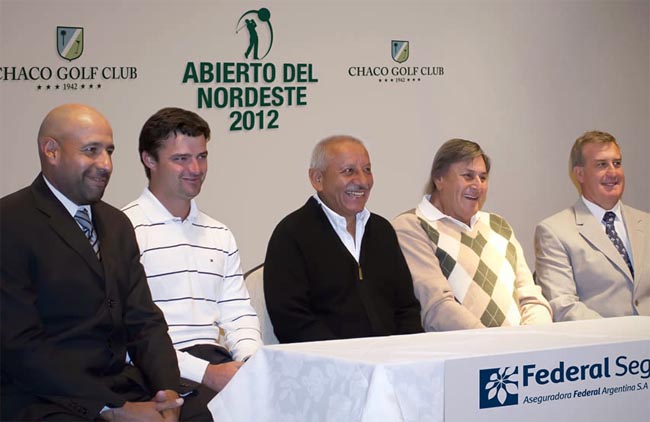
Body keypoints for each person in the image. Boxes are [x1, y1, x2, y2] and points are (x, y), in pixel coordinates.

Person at [0, 104, 193, 420]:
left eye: (109, 151)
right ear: (51, 151)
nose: (105, 164)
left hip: (121, 385)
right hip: (43, 397)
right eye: (91, 151)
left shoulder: (116, 224)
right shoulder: (9, 222)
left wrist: (167, 392)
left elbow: (145, 321)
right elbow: (21, 346)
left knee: (205, 412)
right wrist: (113, 409)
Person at [122, 107, 262, 410]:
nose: (196, 169)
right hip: (154, 370)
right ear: (149, 159)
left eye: (202, 156)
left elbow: (238, 313)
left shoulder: (219, 233)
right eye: (181, 159)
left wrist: (251, 361)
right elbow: (128, 336)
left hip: (217, 360)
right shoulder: (123, 231)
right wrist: (206, 374)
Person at [264, 135, 423, 343]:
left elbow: (406, 308)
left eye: (367, 170)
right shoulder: (291, 235)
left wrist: (408, 351)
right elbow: (292, 321)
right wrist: (347, 361)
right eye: (349, 171)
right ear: (317, 179)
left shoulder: (382, 231)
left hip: (391, 364)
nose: (362, 181)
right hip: (328, 366)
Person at [392, 138, 552, 331]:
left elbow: (530, 297)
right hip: (465, 356)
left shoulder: (498, 225)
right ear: (439, 179)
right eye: (468, 176)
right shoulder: (412, 226)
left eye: (483, 178)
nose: (478, 185)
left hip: (518, 354)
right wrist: (497, 347)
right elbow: (437, 308)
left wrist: (535, 338)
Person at [534, 130, 649, 321]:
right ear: (579, 173)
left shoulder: (646, 223)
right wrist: (623, 337)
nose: (613, 172)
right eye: (602, 165)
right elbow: (564, 305)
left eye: (617, 163)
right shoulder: (554, 231)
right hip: (606, 346)